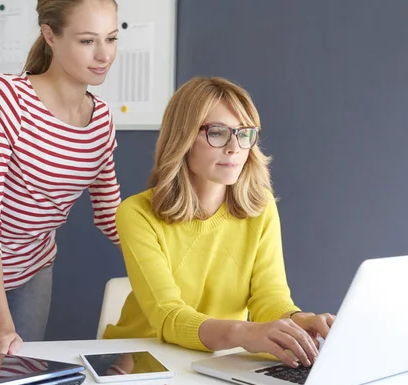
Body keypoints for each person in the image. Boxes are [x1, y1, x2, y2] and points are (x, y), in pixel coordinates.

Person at [0, 0, 122, 355]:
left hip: (34, 269)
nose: (103, 55)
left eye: (111, 39)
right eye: (87, 41)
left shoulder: (102, 121)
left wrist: (175, 246)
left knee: (23, 382)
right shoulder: (6, 98)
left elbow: (112, 217)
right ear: (50, 35)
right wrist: (0, 324)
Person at [104, 77, 335, 368]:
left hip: (216, 364)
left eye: (243, 134)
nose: (234, 148)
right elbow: (170, 316)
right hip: (139, 363)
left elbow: (270, 298)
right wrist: (244, 332)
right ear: (183, 138)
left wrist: (300, 321)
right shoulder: (137, 213)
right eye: (217, 133)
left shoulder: (261, 209)